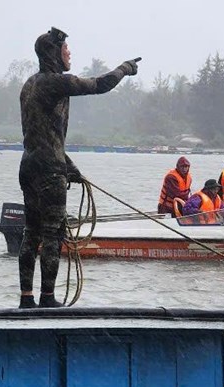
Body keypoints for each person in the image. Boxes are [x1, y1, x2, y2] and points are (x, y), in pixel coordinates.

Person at [17, 27, 139, 309]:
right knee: (52, 233)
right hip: (49, 171)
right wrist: (125, 68)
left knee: (31, 233)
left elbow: (43, 135)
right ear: (53, 54)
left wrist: (69, 166)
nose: (69, 53)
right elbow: (100, 84)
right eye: (65, 49)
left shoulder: (29, 85)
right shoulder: (55, 83)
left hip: (29, 165)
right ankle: (48, 298)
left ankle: (26, 298)